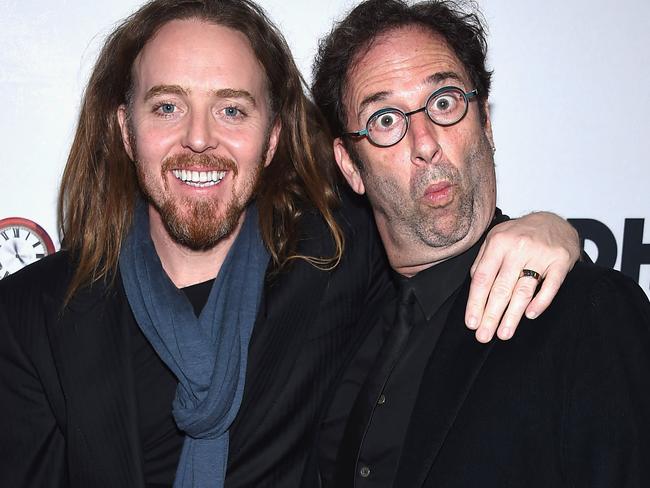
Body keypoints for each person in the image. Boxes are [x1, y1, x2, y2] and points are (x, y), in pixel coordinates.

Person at [0, 1, 580, 487]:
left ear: (273, 136)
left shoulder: (339, 256)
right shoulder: (35, 315)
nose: (199, 139)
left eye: (232, 109)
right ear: (125, 128)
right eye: (168, 106)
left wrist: (546, 229)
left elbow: (440, 224)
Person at [309, 0, 650, 486]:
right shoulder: (343, 315)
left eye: (444, 102)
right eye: (385, 119)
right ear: (350, 167)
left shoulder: (588, 313)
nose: (424, 142)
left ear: (485, 122)